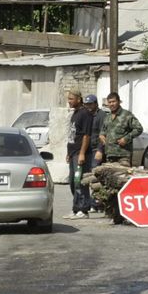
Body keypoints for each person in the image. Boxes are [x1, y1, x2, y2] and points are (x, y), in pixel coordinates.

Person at [64, 90, 93, 220]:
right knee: (72, 181)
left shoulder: (85, 114)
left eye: (71, 99)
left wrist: (82, 153)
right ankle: (76, 208)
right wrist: (69, 153)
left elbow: (86, 135)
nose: (69, 101)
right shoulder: (75, 114)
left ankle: (83, 209)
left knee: (79, 181)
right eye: (68, 99)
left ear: (79, 99)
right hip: (73, 153)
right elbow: (72, 136)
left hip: (80, 154)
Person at [98, 92, 142, 167]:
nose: (112, 104)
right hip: (110, 155)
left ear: (118, 102)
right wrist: (101, 135)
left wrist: (126, 138)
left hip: (123, 156)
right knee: (110, 178)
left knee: (122, 177)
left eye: (114, 101)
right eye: (110, 102)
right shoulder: (107, 117)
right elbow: (103, 131)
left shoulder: (127, 115)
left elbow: (139, 129)